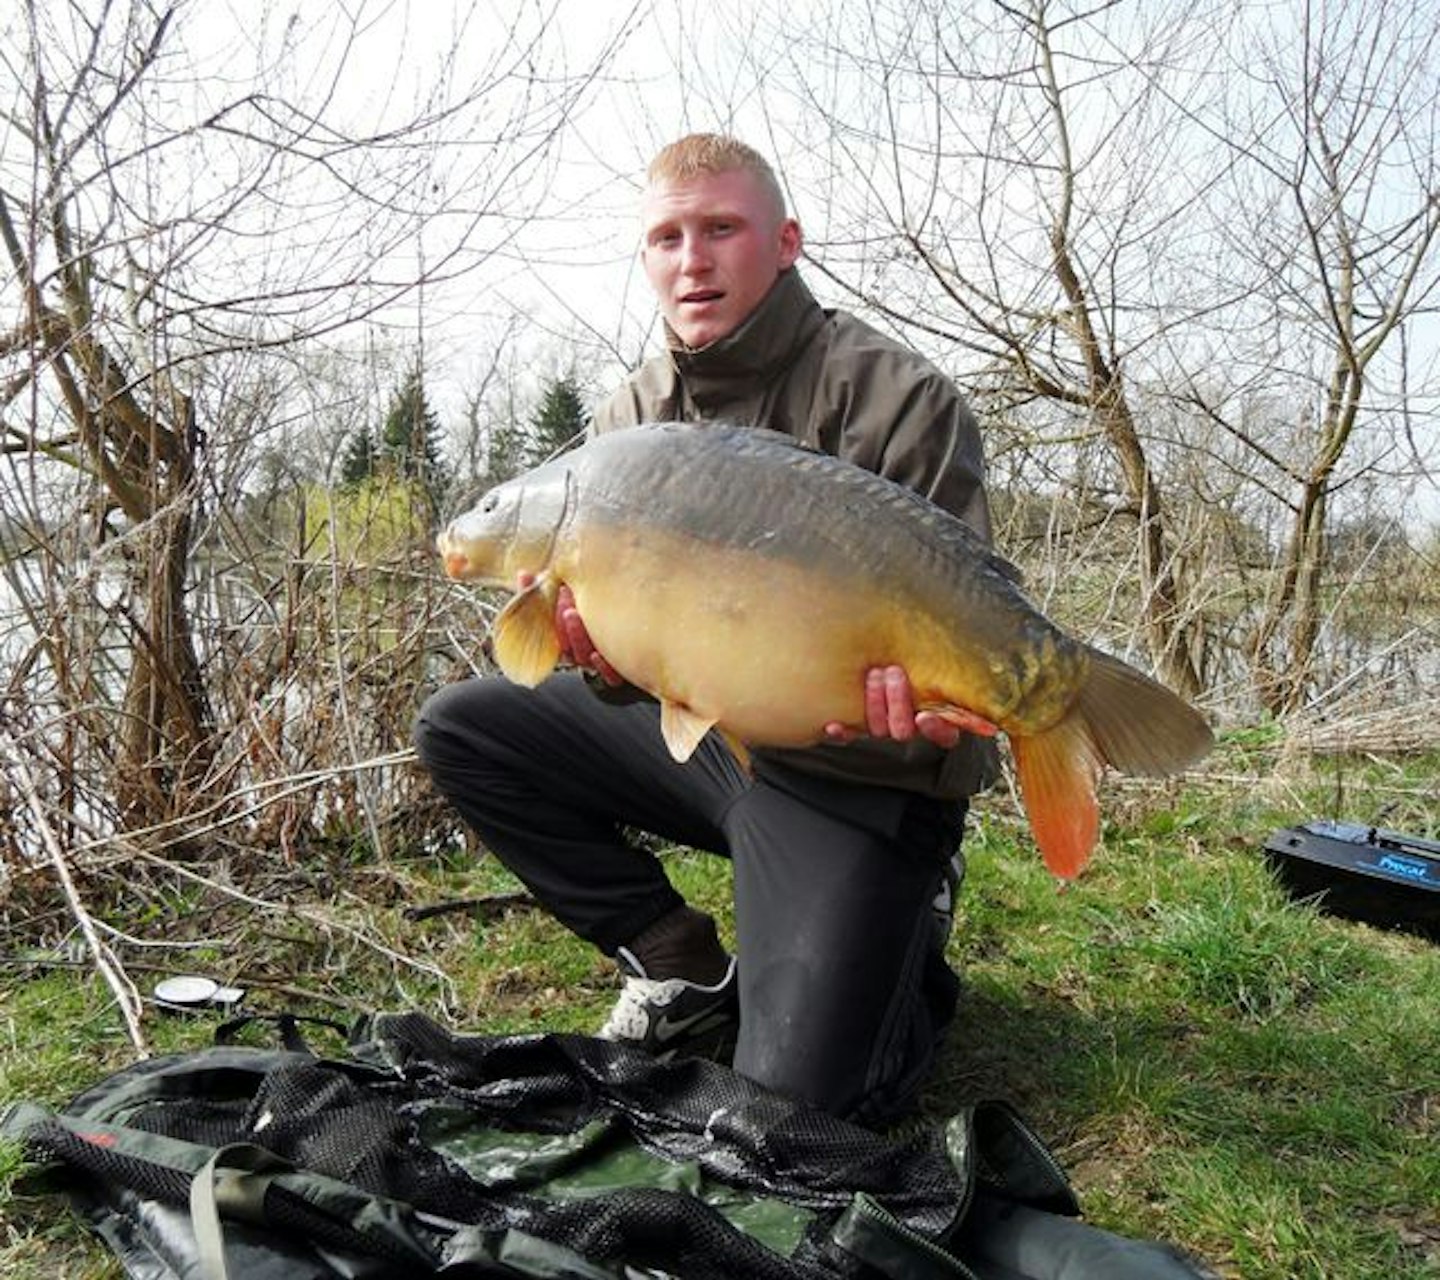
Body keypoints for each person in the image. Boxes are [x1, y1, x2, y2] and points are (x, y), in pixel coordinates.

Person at [415, 133, 998, 1126]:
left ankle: (906, 925)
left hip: (858, 777)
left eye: (721, 229)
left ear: (785, 242)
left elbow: (961, 637)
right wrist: (601, 664)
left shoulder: (903, 400)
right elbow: (633, 667)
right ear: (647, 258)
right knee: (464, 726)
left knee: (797, 1107)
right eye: (668, 237)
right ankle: (678, 961)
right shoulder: (632, 419)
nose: (693, 258)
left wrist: (921, 719)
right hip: (715, 747)